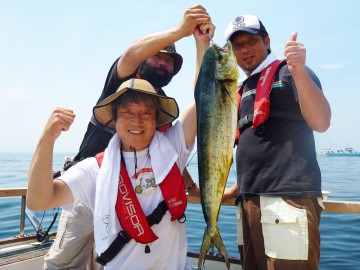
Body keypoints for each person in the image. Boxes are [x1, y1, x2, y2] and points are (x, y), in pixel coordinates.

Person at [41, 5, 213, 269]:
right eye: (159, 56)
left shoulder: (162, 108)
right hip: (86, 192)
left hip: (131, 202)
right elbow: (131, 53)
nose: (165, 63)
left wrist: (202, 45)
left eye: (170, 62)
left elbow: (174, 151)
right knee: (63, 264)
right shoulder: (120, 85)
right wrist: (180, 32)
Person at [27, 77, 205, 269]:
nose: (137, 120)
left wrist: (202, 47)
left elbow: (204, 96)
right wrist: (47, 138)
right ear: (114, 119)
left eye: (146, 112)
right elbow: (39, 201)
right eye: (127, 112)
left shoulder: (172, 150)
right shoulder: (94, 169)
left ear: (155, 119)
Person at [222, 15, 331, 269]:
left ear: (267, 41)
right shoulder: (242, 88)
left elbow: (322, 122)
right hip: (249, 202)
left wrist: (299, 70)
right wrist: (236, 188)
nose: (245, 49)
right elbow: (257, 144)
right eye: (238, 46)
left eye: (252, 41)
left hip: (287, 199)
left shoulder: (289, 71)